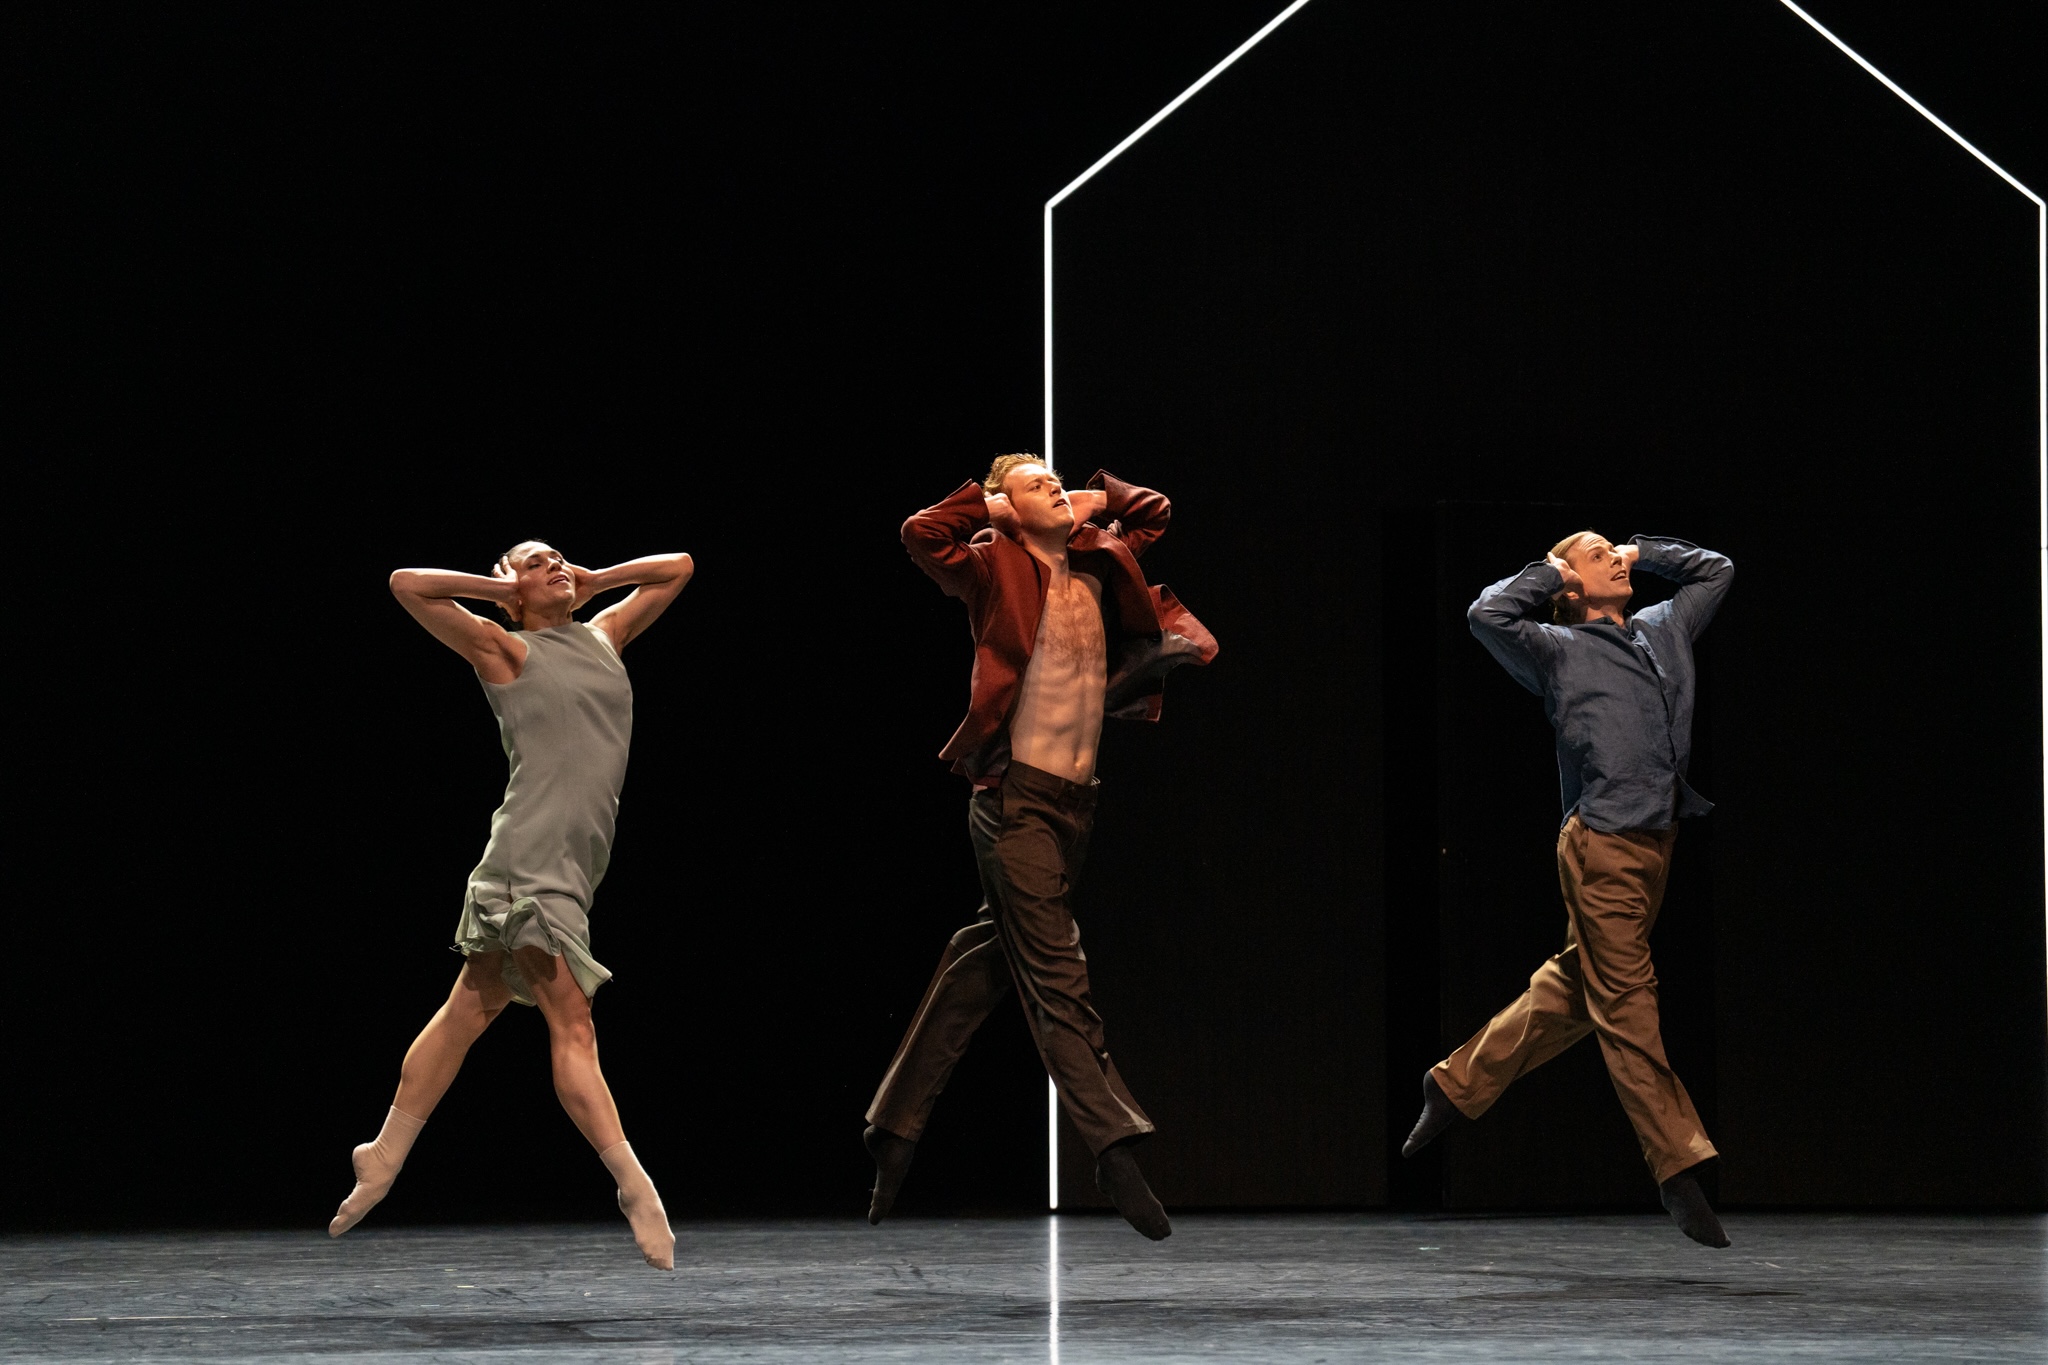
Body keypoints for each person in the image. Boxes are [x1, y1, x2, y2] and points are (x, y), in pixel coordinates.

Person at [863, 455, 1217, 1240]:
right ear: (1005, 510)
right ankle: (1115, 1145)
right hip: (1012, 800)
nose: (1056, 487)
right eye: (1037, 483)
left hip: (1074, 806)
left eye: (1060, 479)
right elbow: (923, 531)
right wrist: (995, 500)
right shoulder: (992, 568)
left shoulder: (1100, 562)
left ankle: (893, 1123)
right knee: (1059, 972)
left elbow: (1153, 509)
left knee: (989, 954)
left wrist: (1082, 495)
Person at [328, 540, 694, 1269]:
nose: (556, 563)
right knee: (574, 1022)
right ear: (512, 594)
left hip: (569, 862)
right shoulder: (501, 648)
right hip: (531, 864)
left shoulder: (604, 634)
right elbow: (407, 583)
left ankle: (385, 1151)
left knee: (469, 1009)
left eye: (561, 556)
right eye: (536, 562)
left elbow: (679, 566)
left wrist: (596, 579)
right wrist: (498, 592)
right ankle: (632, 1182)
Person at [1402, 530, 1735, 1248]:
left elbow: (1717, 570)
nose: (1613, 556)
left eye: (1613, 550)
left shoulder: (1662, 625)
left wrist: (1642, 551)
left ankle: (1456, 1082)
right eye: (1597, 554)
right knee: (1628, 1000)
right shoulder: (1555, 649)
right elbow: (1486, 614)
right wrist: (1550, 569)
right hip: (1603, 847)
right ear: (1571, 586)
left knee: (1579, 988)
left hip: (1657, 845)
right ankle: (1677, 1165)